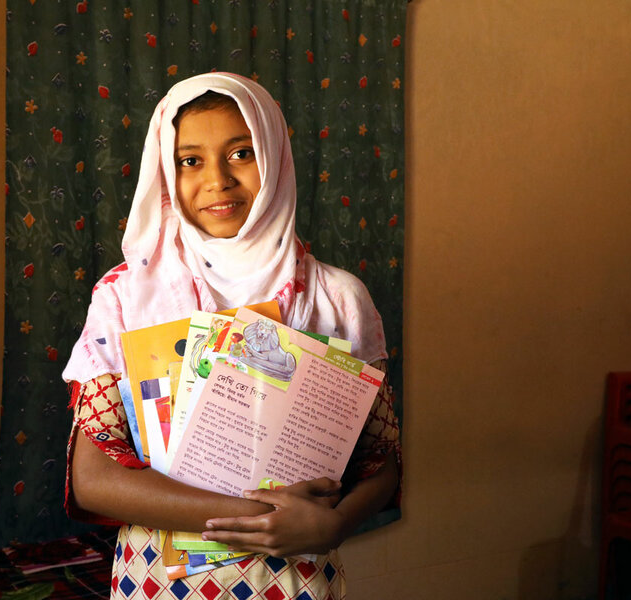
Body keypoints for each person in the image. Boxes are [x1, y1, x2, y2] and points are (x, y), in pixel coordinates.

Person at [63, 72, 401, 599]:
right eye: (190, 160)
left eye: (241, 153)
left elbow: (381, 466)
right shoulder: (126, 297)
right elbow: (95, 480)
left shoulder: (338, 298)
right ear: (166, 173)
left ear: (274, 156)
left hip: (295, 579)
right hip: (159, 577)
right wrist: (262, 516)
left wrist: (334, 525)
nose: (217, 179)